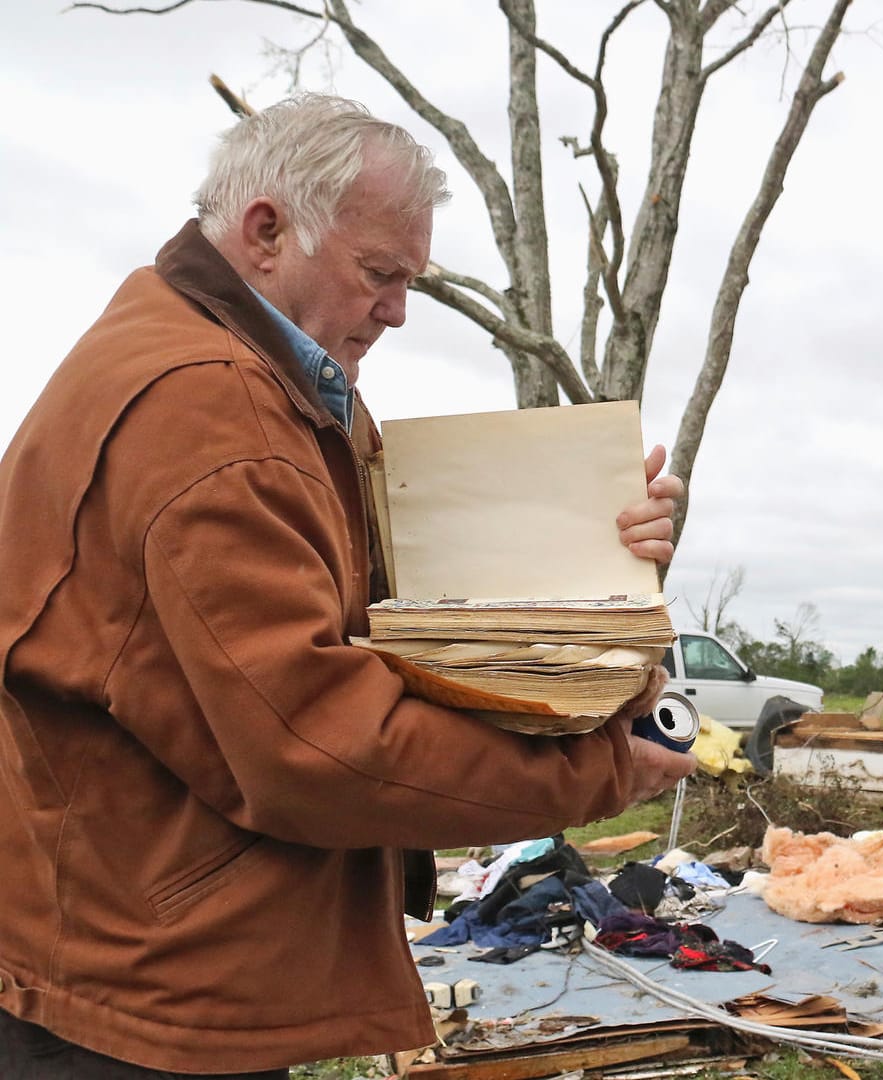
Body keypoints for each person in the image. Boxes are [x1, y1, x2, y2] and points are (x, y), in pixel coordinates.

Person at [0, 94, 698, 1077]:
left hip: (142, 944)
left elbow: (396, 601)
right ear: (267, 231)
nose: (400, 309)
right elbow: (317, 742)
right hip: (147, 991)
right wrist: (599, 770)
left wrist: (598, 561)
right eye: (380, 273)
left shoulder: (254, 384)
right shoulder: (214, 412)